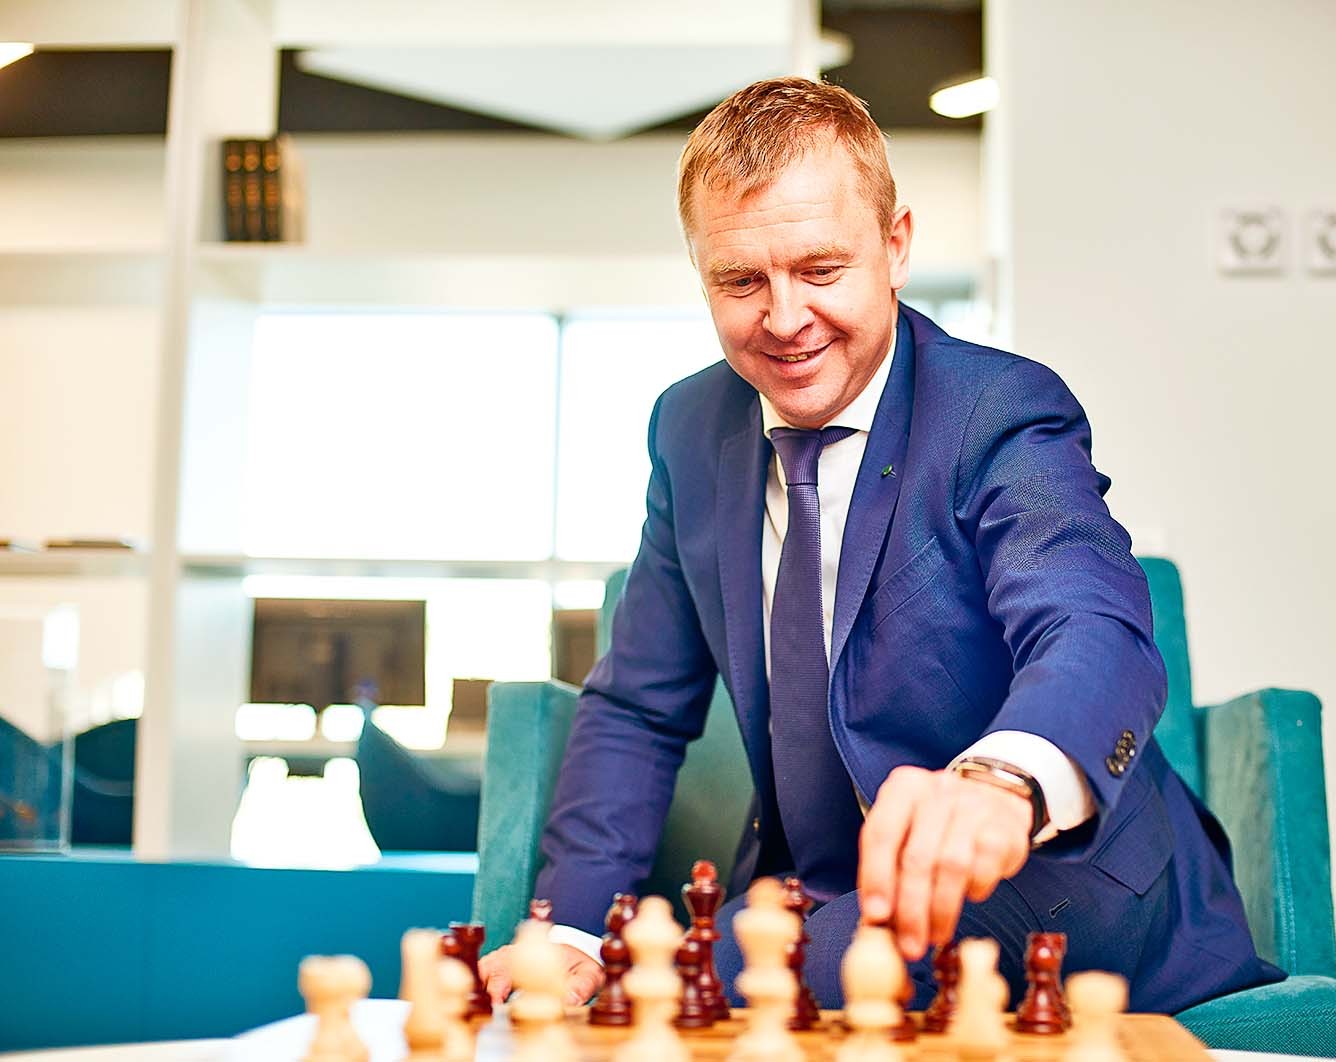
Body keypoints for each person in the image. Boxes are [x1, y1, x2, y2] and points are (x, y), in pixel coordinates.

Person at [481, 77, 1281, 1012]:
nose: (785, 319)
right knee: (661, 977)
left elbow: (1090, 626)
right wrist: (573, 932)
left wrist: (1000, 781)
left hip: (1055, 879)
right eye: (740, 281)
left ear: (895, 246)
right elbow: (637, 710)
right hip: (823, 901)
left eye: (821, 270)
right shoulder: (688, 428)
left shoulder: (998, 409)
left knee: (693, 983)